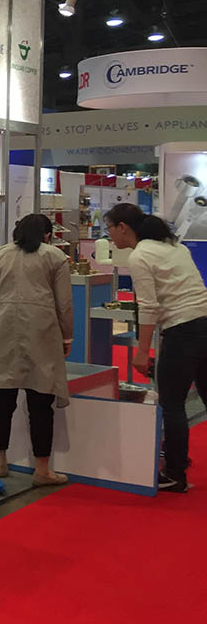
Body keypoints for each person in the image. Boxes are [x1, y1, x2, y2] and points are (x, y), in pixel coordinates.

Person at [105, 202, 207, 492]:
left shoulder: (140, 256)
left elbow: (148, 307)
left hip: (182, 330)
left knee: (172, 403)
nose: (109, 235)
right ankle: (176, 461)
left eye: (110, 229)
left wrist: (141, 351)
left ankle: (175, 473)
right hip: (204, 322)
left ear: (123, 227)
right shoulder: (176, 247)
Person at [0, 213, 74, 486]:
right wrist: (67, 337)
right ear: (47, 235)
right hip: (42, 333)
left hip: (1, 330)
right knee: (41, 402)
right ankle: (42, 469)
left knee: (1, 400)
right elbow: (64, 303)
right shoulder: (55, 257)